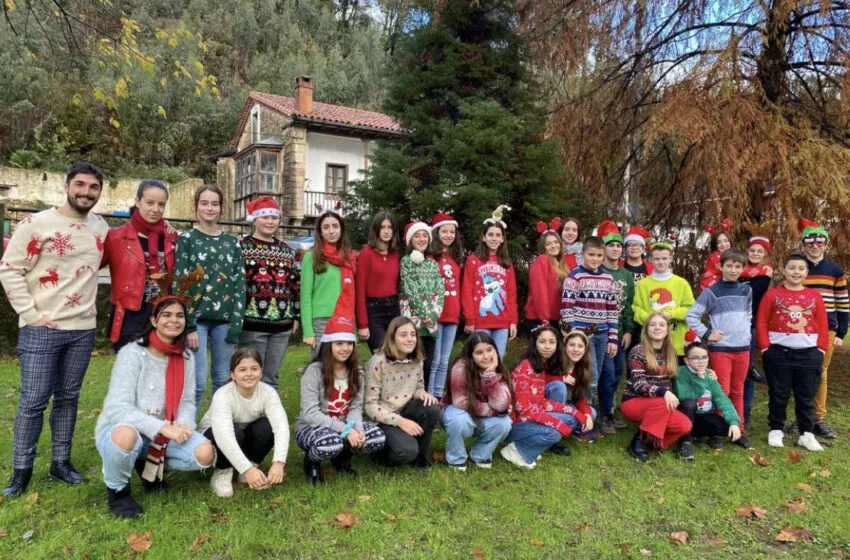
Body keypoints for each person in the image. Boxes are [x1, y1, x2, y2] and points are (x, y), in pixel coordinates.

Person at [0, 162, 109, 498]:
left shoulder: (101, 227)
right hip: (42, 327)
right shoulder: (37, 223)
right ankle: (21, 470)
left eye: (93, 187)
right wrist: (31, 313)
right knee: (33, 401)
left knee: (67, 398)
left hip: (82, 328)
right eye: (80, 185)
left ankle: (61, 462)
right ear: (66, 186)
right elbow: (9, 269)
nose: (86, 192)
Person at [94, 296, 214, 518]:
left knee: (204, 454)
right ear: (153, 319)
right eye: (166, 315)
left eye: (179, 316)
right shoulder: (131, 353)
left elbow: (187, 401)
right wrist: (161, 428)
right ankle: (118, 491)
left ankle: (147, 467)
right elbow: (117, 407)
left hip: (165, 429)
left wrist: (185, 425)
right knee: (126, 436)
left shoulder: (186, 356)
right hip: (123, 427)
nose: (174, 321)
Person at [174, 185, 245, 410]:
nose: (209, 208)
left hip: (224, 322)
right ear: (195, 207)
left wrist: (236, 323)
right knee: (196, 382)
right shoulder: (186, 240)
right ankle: (188, 432)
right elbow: (181, 282)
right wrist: (189, 326)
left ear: (221, 208)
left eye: (215, 204)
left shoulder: (232, 242)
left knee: (222, 381)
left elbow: (239, 284)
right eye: (204, 203)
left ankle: (214, 431)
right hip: (198, 323)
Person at [295, 314, 386, 484]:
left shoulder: (357, 371)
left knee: (376, 437)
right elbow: (310, 413)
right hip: (313, 426)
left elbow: (355, 407)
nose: (345, 348)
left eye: (349, 343)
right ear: (328, 345)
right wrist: (344, 430)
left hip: (346, 424)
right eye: (339, 343)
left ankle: (342, 459)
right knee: (330, 443)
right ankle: (312, 462)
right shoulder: (314, 371)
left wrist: (356, 429)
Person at [757, 253, 829, 451]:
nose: (796, 272)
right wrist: (765, 348)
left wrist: (821, 349)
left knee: (806, 395)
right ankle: (776, 429)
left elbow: (823, 324)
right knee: (779, 393)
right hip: (779, 353)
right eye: (792, 268)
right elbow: (762, 321)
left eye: (800, 269)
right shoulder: (772, 295)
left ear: (806, 272)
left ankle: (806, 433)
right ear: (784, 270)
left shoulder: (814, 296)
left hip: (809, 354)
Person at [685, 248, 753, 449]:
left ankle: (738, 429)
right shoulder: (712, 291)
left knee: (738, 389)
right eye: (729, 266)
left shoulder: (746, 290)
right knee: (721, 390)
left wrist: (746, 335)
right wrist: (707, 334)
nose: (733, 270)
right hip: (721, 349)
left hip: (743, 348)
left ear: (743, 268)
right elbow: (692, 315)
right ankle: (719, 430)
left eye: (737, 266)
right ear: (721, 267)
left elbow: (748, 315)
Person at [200, 347, 290, 498]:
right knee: (235, 433)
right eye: (242, 370)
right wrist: (247, 469)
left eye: (254, 369)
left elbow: (281, 427)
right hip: (216, 437)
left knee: (266, 427)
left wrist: (279, 462)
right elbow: (225, 437)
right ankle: (223, 471)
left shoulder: (268, 392)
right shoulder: (223, 395)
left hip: (244, 434)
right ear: (232, 374)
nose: (249, 374)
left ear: (261, 372)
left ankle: (251, 465)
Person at [501, 325, 592, 469]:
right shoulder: (526, 366)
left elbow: (541, 402)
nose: (547, 346)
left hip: (530, 418)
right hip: (516, 423)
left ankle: (531, 445)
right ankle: (517, 450)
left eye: (552, 342)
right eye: (542, 342)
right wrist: (556, 423)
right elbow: (523, 408)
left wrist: (575, 412)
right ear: (535, 344)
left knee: (571, 418)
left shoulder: (541, 366)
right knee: (554, 433)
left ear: (557, 344)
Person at [102, 180, 178, 351]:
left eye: (161, 204)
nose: (156, 209)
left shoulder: (170, 238)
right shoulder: (116, 237)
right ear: (137, 202)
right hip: (129, 317)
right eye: (150, 203)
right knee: (129, 373)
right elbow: (90, 267)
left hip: (161, 316)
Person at [793, 218, 848, 438]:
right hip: (799, 328)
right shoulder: (797, 267)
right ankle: (801, 417)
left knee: (820, 372)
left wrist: (841, 332)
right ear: (803, 243)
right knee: (799, 373)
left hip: (827, 328)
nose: (815, 245)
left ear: (825, 244)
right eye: (810, 241)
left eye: (819, 241)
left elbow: (843, 303)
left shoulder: (834, 270)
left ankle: (819, 417)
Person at [238, 196, 300, 389]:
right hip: (252, 324)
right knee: (250, 376)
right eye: (264, 217)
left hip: (282, 325)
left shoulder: (288, 251)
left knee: (271, 378)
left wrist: (296, 316)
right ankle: (245, 418)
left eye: (274, 218)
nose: (270, 221)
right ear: (255, 219)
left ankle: (267, 417)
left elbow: (295, 285)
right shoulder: (241, 247)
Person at [364, 317, 440, 469]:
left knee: (432, 407)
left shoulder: (417, 359)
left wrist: (422, 394)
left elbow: (418, 387)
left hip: (405, 409)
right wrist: (399, 422)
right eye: (403, 335)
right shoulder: (378, 362)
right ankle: (380, 454)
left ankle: (420, 455)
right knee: (406, 451)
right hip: (383, 417)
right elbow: (369, 406)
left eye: (413, 334)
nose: (410, 339)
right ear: (392, 338)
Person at [621, 313, 692, 462]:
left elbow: (679, 377)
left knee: (685, 425)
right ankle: (637, 442)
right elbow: (639, 384)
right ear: (646, 330)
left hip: (659, 405)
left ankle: (651, 442)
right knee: (662, 402)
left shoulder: (670, 352)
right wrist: (663, 392)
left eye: (661, 325)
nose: (657, 328)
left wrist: (705, 373)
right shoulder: (637, 352)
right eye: (653, 325)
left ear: (667, 330)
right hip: (634, 402)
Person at [560, 236, 619, 406]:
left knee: (598, 374)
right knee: (590, 373)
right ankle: (584, 409)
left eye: (599, 255)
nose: (595, 259)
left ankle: (587, 410)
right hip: (583, 335)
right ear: (583, 253)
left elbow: (612, 310)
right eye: (591, 254)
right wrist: (573, 334)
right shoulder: (575, 276)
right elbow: (566, 307)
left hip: (602, 333)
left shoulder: (608, 278)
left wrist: (613, 337)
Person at [441, 332, 513, 470]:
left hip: (480, 415)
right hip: (458, 412)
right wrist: (493, 411)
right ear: (470, 355)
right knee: (458, 420)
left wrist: (490, 375)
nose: (486, 356)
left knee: (505, 423)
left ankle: (480, 455)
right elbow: (461, 402)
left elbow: (502, 404)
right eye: (479, 352)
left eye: (489, 350)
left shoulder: (498, 369)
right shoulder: (460, 366)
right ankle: (456, 458)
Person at [461, 205, 518, 357]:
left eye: (498, 235)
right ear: (484, 237)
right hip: (480, 321)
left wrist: (513, 321)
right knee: (481, 358)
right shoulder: (474, 260)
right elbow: (467, 291)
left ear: (502, 238)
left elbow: (511, 293)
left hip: (502, 321)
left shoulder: (506, 263)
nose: (494, 238)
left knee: (498, 358)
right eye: (490, 234)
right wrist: (470, 319)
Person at [673, 335, 742, 460]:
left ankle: (705, 436)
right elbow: (685, 396)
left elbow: (721, 398)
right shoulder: (681, 372)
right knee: (689, 403)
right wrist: (701, 380)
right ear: (687, 360)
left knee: (726, 427)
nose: (701, 361)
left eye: (704, 357)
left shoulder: (709, 374)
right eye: (695, 358)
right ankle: (685, 441)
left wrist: (733, 422)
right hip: (686, 416)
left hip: (704, 416)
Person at [301, 210, 356, 360]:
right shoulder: (310, 257)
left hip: (345, 318)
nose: (331, 231)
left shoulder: (350, 257)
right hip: (321, 321)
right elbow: (305, 296)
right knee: (321, 365)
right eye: (326, 227)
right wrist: (308, 330)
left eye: (335, 226)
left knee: (344, 366)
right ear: (320, 232)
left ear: (341, 229)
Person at [597, 221, 635, 434]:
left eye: (618, 246)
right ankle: (605, 413)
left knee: (618, 371)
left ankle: (610, 407)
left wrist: (628, 330)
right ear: (604, 248)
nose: (615, 249)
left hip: (620, 332)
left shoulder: (626, 275)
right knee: (607, 373)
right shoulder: (599, 272)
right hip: (603, 331)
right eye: (610, 245)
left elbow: (628, 306)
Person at [399, 220, 445, 390]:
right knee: (411, 363)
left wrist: (433, 315)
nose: (422, 239)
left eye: (425, 235)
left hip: (431, 324)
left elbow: (440, 291)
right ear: (410, 240)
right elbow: (411, 292)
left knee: (427, 364)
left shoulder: (432, 264)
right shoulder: (406, 262)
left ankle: (423, 399)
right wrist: (425, 316)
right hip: (413, 322)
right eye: (417, 236)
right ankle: (406, 400)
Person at [632, 238, 695, 358]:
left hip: (676, 344)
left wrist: (671, 314)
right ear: (650, 260)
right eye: (656, 259)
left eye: (664, 258)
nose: (661, 262)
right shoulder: (643, 284)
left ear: (671, 258)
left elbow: (691, 309)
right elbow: (637, 308)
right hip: (651, 343)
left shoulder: (681, 283)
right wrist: (650, 319)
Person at [739, 229, 773, 425]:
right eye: (753, 250)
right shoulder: (742, 268)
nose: (755, 254)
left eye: (760, 251)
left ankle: (746, 409)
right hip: (732, 323)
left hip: (750, 323)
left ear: (765, 254)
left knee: (747, 368)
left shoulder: (764, 273)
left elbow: (749, 292)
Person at [428, 212, 463, 398]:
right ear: (436, 233)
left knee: (444, 359)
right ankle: (429, 396)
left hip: (452, 314)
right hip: (436, 315)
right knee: (434, 359)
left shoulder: (455, 259)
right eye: (444, 231)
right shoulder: (430, 258)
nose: (449, 235)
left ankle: (438, 396)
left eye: (452, 231)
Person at [355, 211, 400, 353]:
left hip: (394, 309)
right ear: (376, 229)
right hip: (373, 311)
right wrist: (362, 324)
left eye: (389, 227)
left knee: (397, 354)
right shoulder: (366, 254)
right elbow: (359, 290)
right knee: (382, 355)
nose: (386, 231)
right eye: (382, 227)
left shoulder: (395, 255)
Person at [543, 329, 596, 448]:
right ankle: (552, 431)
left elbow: (581, 397)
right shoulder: (554, 361)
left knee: (592, 413)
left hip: (567, 405)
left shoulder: (582, 369)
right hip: (547, 404)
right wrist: (560, 379)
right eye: (572, 345)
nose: (576, 349)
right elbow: (539, 382)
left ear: (585, 349)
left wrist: (586, 414)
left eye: (580, 346)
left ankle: (572, 429)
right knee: (559, 386)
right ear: (565, 346)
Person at [525, 217, 568, 332]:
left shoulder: (562, 265)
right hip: (540, 318)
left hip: (555, 319)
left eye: (555, 242)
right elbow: (540, 292)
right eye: (548, 244)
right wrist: (545, 320)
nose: (553, 246)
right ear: (543, 247)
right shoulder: (542, 260)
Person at [699, 219, 733, 291]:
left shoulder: (732, 255)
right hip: (712, 288)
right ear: (716, 245)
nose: (723, 244)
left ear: (730, 242)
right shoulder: (715, 256)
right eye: (719, 242)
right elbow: (730, 270)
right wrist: (761, 271)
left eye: (726, 241)